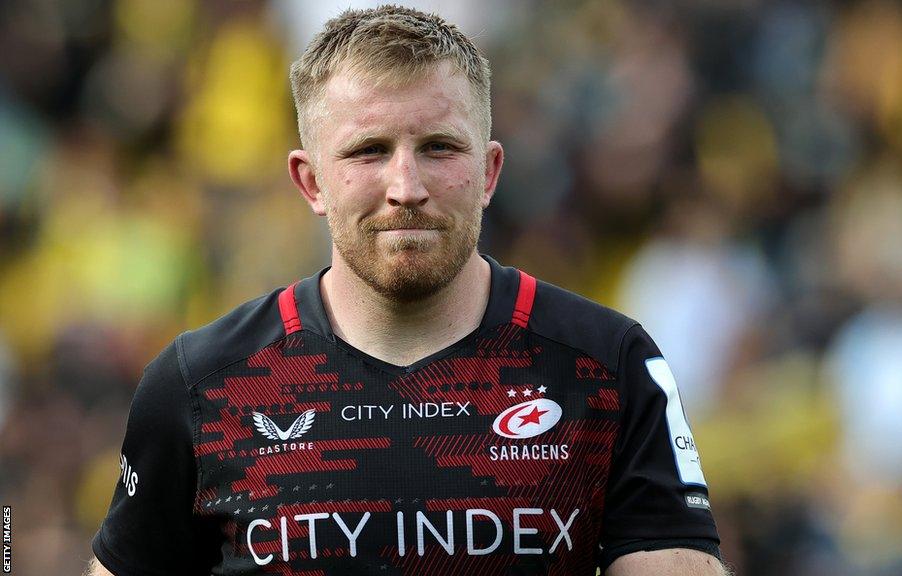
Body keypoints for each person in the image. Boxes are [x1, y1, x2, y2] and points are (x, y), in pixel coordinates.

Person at [85, 6, 726, 575]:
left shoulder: (608, 365)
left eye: (440, 147)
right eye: (368, 151)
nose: (406, 186)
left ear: (489, 171)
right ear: (310, 182)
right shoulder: (201, 383)